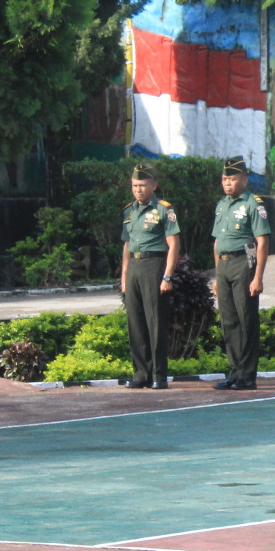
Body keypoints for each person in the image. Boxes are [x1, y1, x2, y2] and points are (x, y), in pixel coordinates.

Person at [211, 158, 272, 390]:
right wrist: (217, 275)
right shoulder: (221, 205)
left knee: (246, 318)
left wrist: (258, 276)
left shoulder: (253, 204)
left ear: (245, 180)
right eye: (225, 178)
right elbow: (217, 242)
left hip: (243, 261)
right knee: (229, 321)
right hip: (224, 265)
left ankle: (247, 375)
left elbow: (262, 241)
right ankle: (234, 372)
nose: (228, 183)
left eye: (233, 178)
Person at [120, 163, 181, 389]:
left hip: (154, 264)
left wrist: (167, 276)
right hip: (134, 267)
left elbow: (173, 243)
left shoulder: (164, 209)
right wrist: (124, 276)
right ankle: (140, 374)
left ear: (153, 185)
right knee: (135, 322)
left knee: (155, 321)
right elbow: (126, 245)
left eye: (143, 185)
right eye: (135, 185)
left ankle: (158, 375)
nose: (138, 189)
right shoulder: (130, 211)